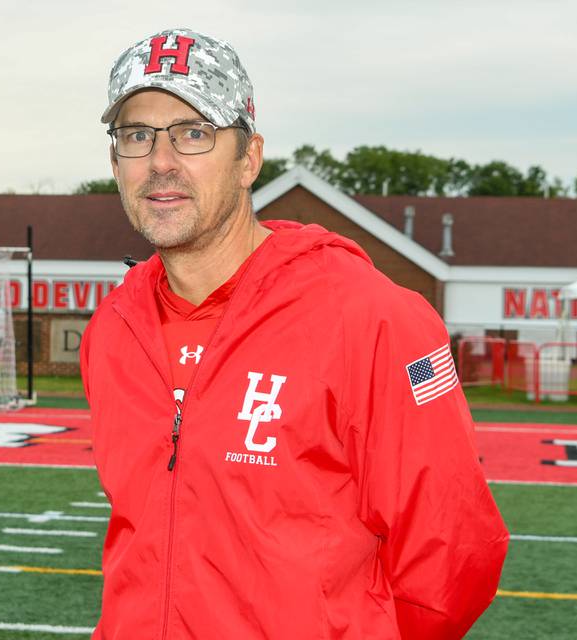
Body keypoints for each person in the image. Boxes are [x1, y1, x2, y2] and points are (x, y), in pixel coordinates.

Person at [80, 27, 509, 640]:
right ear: (115, 163)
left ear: (249, 158)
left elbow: (453, 554)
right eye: (136, 135)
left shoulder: (372, 318)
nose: (160, 161)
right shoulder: (114, 328)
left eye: (194, 133)